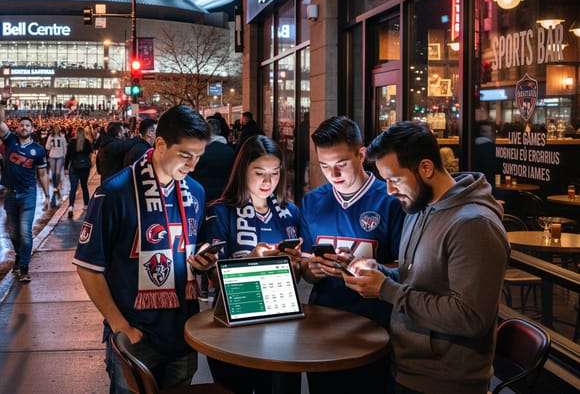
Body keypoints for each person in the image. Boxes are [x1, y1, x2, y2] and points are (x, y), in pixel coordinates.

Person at [344, 121, 508, 394]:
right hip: (406, 366)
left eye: (394, 179)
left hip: (445, 382)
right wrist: (382, 273)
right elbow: (420, 281)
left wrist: (386, 290)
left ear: (426, 168)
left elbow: (470, 318)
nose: (389, 190)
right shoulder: (419, 207)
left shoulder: (474, 225)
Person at [73, 105, 217, 393]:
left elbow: (198, 245)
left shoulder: (196, 192)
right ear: (160, 144)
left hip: (183, 332)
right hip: (135, 332)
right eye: (185, 156)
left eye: (198, 157)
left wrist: (203, 261)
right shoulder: (115, 193)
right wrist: (120, 326)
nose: (192, 166)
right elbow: (88, 267)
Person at [299, 116, 405, 394]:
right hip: (323, 324)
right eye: (324, 166)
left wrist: (368, 267)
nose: (332, 175)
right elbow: (306, 270)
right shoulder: (312, 201)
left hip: (374, 326)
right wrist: (315, 269)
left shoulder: (391, 198)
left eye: (341, 164)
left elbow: (405, 267)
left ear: (362, 154)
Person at [199, 134, 303, 394]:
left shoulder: (289, 212)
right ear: (242, 170)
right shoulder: (221, 212)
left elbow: (299, 275)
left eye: (275, 173)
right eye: (259, 173)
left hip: (282, 323)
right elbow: (213, 277)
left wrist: (297, 264)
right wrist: (252, 260)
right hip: (234, 327)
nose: (268, 181)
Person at [0, 85, 50, 283]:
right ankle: (19, 256)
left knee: (25, 232)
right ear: (17, 128)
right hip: (10, 193)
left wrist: (47, 195)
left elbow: (42, 173)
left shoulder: (38, 150)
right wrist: (3, 101)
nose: (24, 128)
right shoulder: (10, 141)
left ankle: (24, 267)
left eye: (28, 126)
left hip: (28, 193)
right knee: (13, 233)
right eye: (21, 125)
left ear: (32, 129)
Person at [189, 117, 236, 203]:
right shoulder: (230, 151)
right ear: (219, 130)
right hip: (224, 194)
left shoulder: (200, 151)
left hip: (202, 193)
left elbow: (191, 174)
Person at [64, 126, 94, 220]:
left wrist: (65, 168)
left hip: (74, 167)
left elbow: (67, 156)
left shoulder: (72, 142)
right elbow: (90, 152)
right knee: (84, 186)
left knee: (73, 187)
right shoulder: (87, 142)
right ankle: (86, 205)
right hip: (85, 167)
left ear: (76, 133)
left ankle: (71, 207)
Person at [46, 125, 68, 204]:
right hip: (52, 156)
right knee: (54, 172)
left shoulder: (62, 137)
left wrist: (65, 156)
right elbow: (47, 147)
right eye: (55, 129)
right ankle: (55, 186)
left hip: (60, 156)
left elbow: (65, 146)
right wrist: (50, 144)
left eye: (57, 129)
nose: (56, 130)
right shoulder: (50, 137)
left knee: (58, 172)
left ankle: (57, 185)